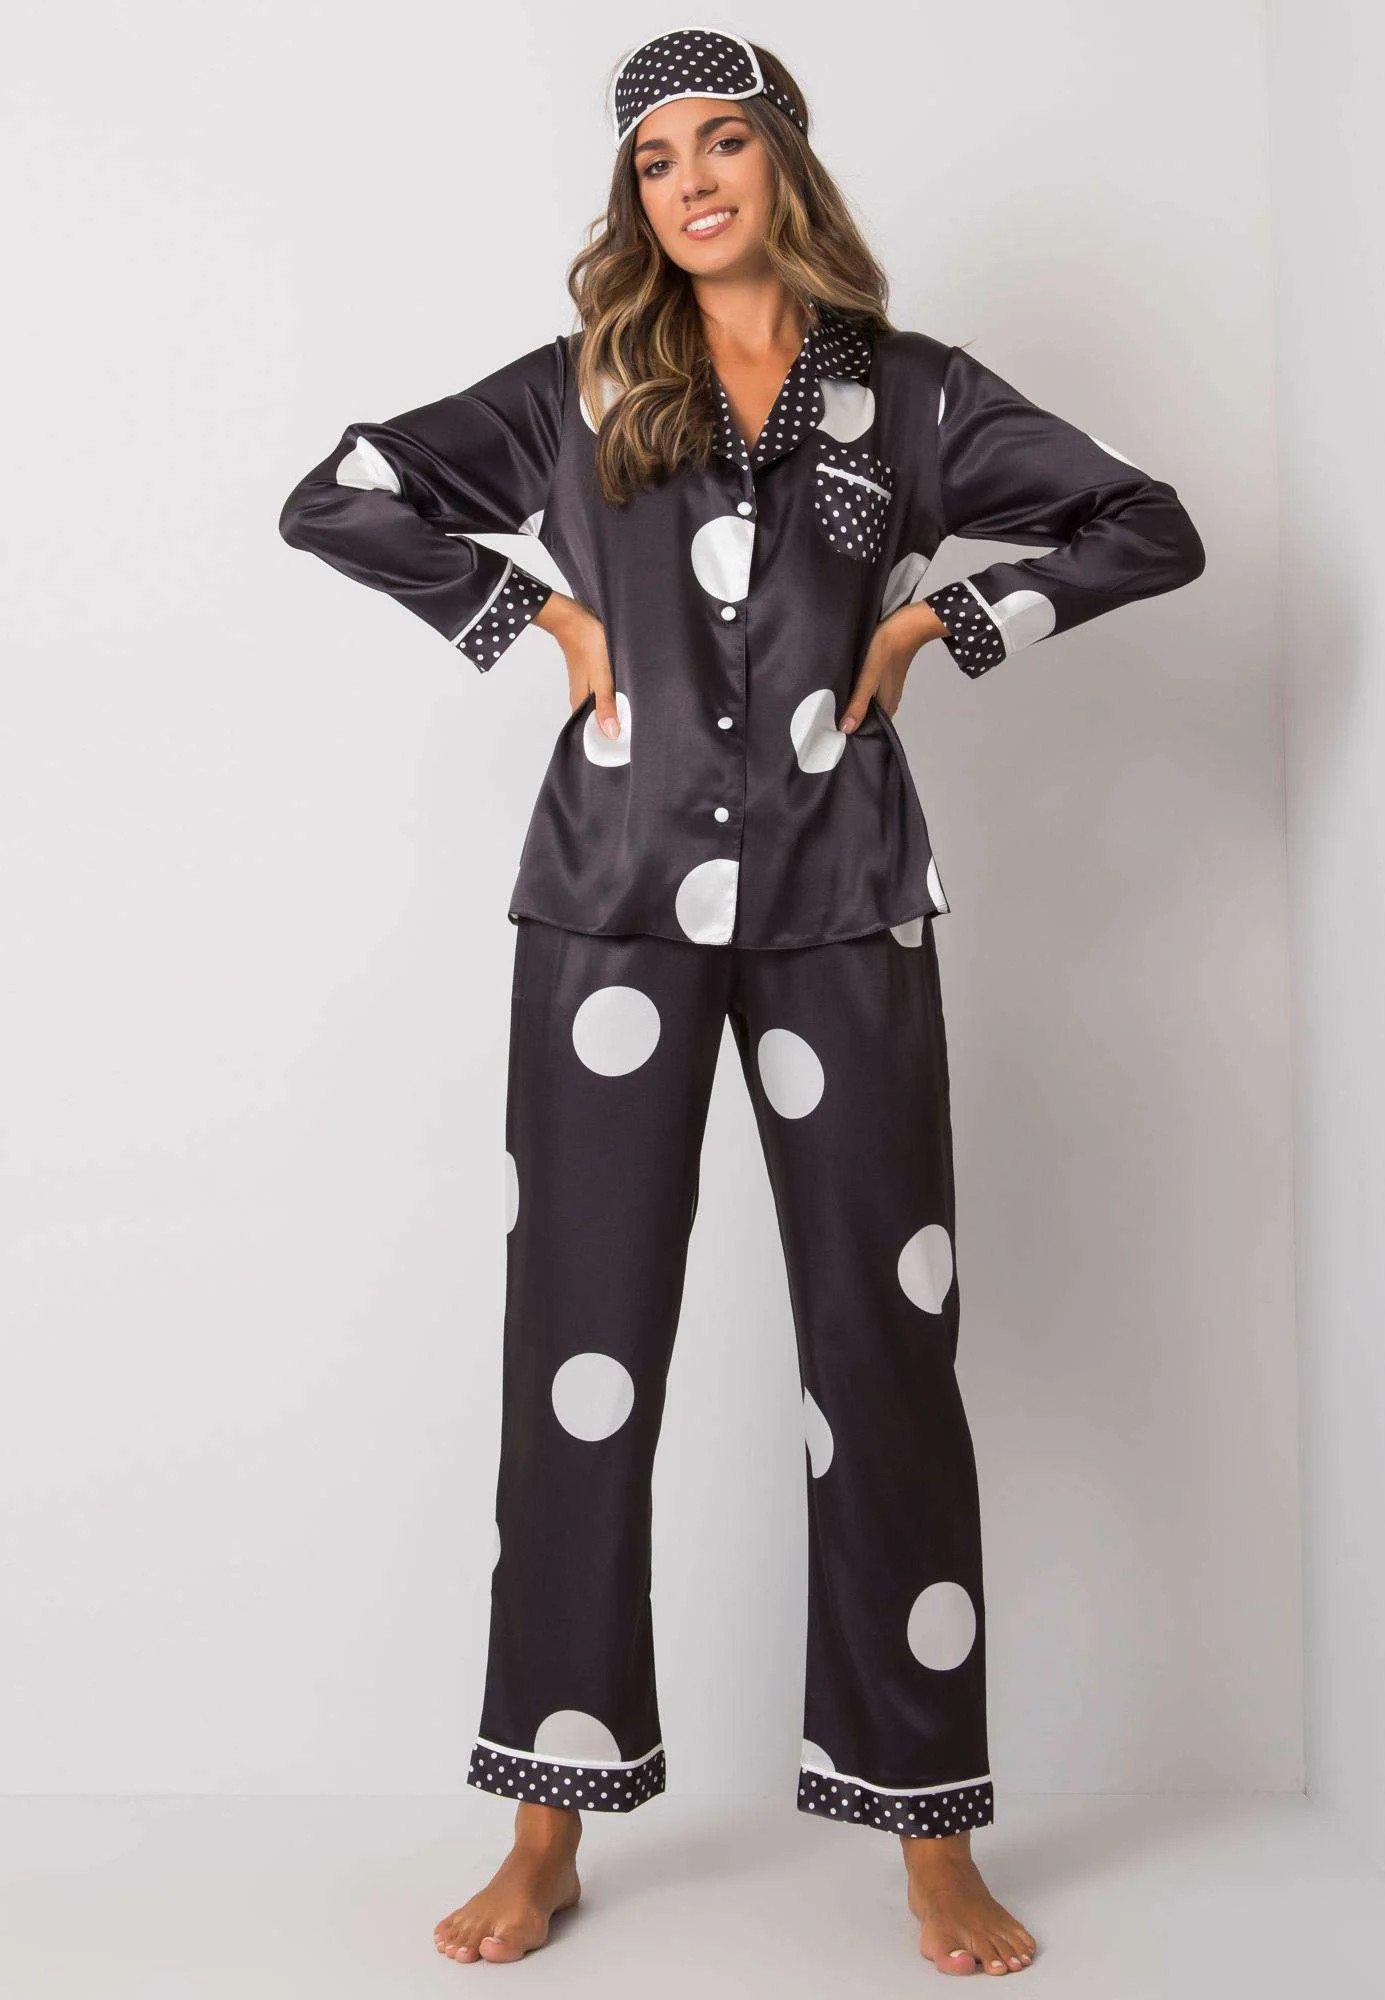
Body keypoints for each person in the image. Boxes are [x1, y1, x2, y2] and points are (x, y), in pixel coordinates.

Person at [278, 26, 1206, 1978]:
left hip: (844, 906)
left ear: (784, 161)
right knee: (581, 1357)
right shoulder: (579, 389)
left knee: (884, 1360)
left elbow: (1148, 521)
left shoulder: (914, 397)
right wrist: (532, 612)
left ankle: (928, 1834)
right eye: (655, 158)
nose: (691, 181)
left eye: (724, 142)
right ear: (633, 195)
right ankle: (547, 1823)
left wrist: (942, 617)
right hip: (605, 914)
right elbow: (339, 495)